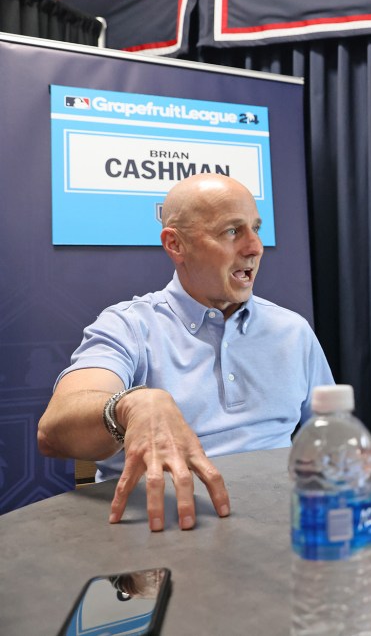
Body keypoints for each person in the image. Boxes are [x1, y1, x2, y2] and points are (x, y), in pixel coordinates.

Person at [37, 173, 335, 533]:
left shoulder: (293, 331)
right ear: (176, 245)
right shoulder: (129, 326)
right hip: (165, 534)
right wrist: (130, 406)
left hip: (282, 527)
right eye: (231, 231)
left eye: (255, 228)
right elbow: (53, 431)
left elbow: (331, 436)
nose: (255, 247)